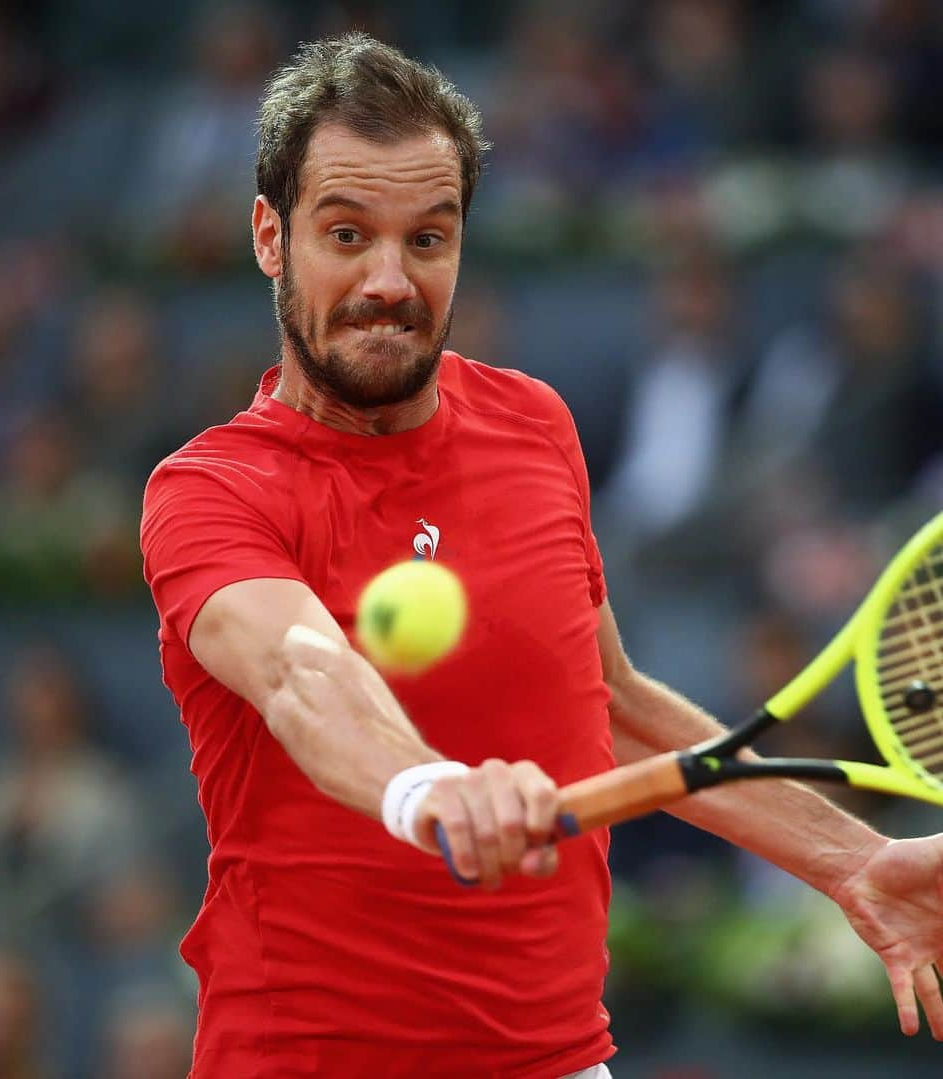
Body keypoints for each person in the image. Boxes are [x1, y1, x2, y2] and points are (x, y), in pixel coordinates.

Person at [140, 32, 943, 1079]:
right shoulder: (210, 489)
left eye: (428, 240)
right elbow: (303, 672)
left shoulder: (533, 425)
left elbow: (608, 702)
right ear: (268, 236)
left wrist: (855, 861)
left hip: (561, 1059)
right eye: (346, 234)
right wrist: (430, 788)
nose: (390, 279)